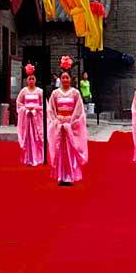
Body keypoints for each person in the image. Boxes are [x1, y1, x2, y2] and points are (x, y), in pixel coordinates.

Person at [48, 56, 89, 186]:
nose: (65, 80)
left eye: (67, 77)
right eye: (63, 78)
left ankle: (70, 176)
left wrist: (71, 123)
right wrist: (56, 122)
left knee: (70, 150)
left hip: (71, 126)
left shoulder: (75, 93)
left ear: (71, 79)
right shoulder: (55, 93)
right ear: (60, 79)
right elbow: (51, 110)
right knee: (59, 150)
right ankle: (61, 176)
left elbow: (79, 111)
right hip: (59, 125)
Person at [16, 63, 45, 166]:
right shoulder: (23, 91)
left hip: (36, 118)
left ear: (35, 80)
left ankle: (38, 158)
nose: (31, 81)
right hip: (27, 118)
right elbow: (19, 104)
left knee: (37, 137)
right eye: (29, 79)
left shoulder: (40, 91)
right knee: (28, 137)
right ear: (26, 80)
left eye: (33, 79)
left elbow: (44, 106)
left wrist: (35, 108)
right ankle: (28, 158)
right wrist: (25, 109)